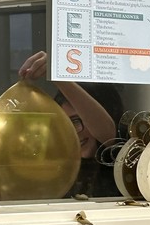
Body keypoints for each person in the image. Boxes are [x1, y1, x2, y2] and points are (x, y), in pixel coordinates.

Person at [19, 50, 124, 197]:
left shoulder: (125, 160)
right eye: (65, 123)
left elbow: (108, 135)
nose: (73, 132)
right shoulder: (59, 172)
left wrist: (58, 75)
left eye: (77, 120)